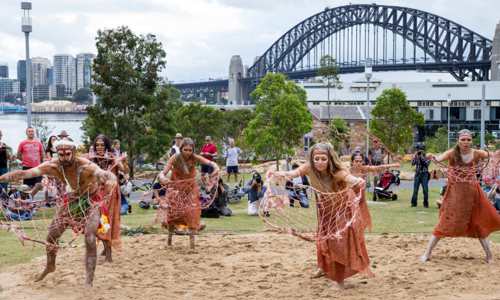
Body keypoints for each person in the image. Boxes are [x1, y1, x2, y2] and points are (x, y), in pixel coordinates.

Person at [0, 139, 118, 287]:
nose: (64, 157)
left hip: (91, 201)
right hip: (71, 201)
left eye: (67, 154)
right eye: (60, 154)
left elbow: (103, 173)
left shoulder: (86, 166)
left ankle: (89, 279)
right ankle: (51, 265)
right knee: (51, 236)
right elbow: (25, 173)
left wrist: (111, 179)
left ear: (73, 152)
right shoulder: (53, 166)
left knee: (90, 236)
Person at [270, 143, 370, 288]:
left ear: (329, 159)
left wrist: (357, 180)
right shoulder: (309, 167)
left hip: (341, 210)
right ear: (312, 158)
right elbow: (293, 174)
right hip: (324, 209)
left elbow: (349, 178)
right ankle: (323, 267)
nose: (320, 162)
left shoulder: (337, 171)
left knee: (337, 242)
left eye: (323, 159)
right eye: (316, 159)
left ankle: (339, 280)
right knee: (322, 237)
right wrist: (282, 174)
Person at [421, 129, 500, 263]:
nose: (466, 142)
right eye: (463, 139)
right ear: (458, 140)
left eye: (468, 139)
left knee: (478, 223)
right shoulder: (452, 153)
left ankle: (489, 256)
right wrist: (431, 156)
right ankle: (427, 253)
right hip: (455, 194)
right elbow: (438, 159)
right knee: (444, 223)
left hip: (473, 193)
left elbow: (491, 155)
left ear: (471, 141)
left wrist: (493, 154)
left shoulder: (476, 153)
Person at [158, 138, 219, 249]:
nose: (188, 152)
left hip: (190, 189)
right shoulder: (175, 158)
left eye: (190, 150)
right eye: (185, 149)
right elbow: (164, 172)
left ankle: (192, 245)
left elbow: (209, 162)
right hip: (176, 189)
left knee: (192, 213)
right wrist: (162, 177)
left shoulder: (194, 157)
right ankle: (169, 241)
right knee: (173, 216)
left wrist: (215, 167)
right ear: (181, 149)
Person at [410, 143, 431, 208]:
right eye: (418, 149)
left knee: (425, 190)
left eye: (420, 149)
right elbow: (413, 164)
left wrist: (421, 157)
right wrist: (415, 156)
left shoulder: (428, 156)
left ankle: (425, 203)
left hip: (424, 174)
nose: (419, 151)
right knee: (415, 190)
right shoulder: (416, 155)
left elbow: (426, 164)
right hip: (417, 174)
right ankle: (414, 203)